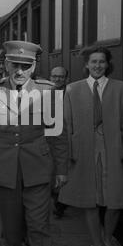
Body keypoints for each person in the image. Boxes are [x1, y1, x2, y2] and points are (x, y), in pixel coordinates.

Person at [0, 40, 68, 246]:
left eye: (26, 66)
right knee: (11, 232)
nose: (20, 71)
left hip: (37, 169)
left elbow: (58, 136)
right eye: (15, 65)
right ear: (6, 63)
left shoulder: (47, 92)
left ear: (34, 66)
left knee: (39, 227)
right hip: (5, 170)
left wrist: (61, 170)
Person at [58, 46, 123, 246]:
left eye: (102, 62)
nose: (97, 66)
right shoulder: (72, 89)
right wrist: (66, 156)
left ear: (107, 64)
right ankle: (96, 245)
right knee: (89, 200)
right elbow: (67, 125)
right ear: (86, 65)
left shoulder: (121, 88)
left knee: (115, 201)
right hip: (83, 150)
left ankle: (108, 239)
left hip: (113, 150)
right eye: (93, 62)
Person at [48, 66, 69, 218]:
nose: (57, 79)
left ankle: (60, 203)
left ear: (66, 78)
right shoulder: (44, 93)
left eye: (61, 77)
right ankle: (56, 200)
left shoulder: (71, 93)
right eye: (54, 76)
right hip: (49, 137)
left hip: (66, 136)